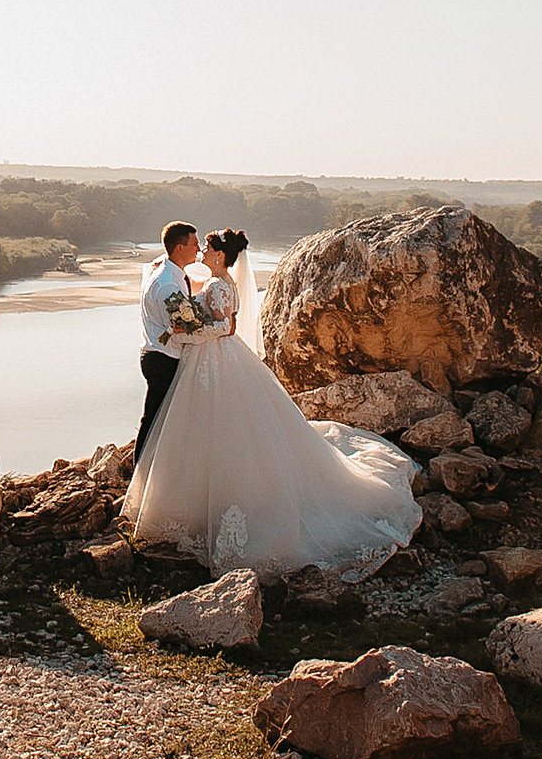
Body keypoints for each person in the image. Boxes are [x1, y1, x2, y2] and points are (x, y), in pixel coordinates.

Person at [124, 227, 423, 581]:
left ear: (220, 256)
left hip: (213, 359)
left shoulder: (218, 286)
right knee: (197, 422)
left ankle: (185, 487)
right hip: (203, 359)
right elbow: (205, 322)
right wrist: (208, 327)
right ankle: (169, 483)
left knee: (208, 423)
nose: (201, 249)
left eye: (206, 246)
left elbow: (217, 326)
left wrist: (216, 328)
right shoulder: (189, 280)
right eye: (196, 244)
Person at [134, 221, 204, 468]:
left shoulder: (168, 272)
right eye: (194, 243)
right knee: (154, 418)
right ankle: (141, 470)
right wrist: (212, 331)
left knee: (161, 417)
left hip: (161, 353)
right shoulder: (167, 284)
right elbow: (177, 331)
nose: (199, 248)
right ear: (179, 247)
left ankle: (158, 468)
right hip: (162, 358)